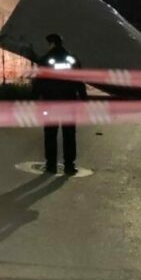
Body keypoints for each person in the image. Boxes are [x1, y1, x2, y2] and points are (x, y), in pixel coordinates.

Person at [33, 34, 88, 175]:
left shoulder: (45, 60)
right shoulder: (71, 59)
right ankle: (69, 166)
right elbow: (79, 80)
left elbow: (38, 82)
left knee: (50, 134)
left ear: (51, 43)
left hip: (50, 103)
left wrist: (35, 100)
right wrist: (83, 99)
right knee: (69, 134)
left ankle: (51, 165)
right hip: (68, 102)